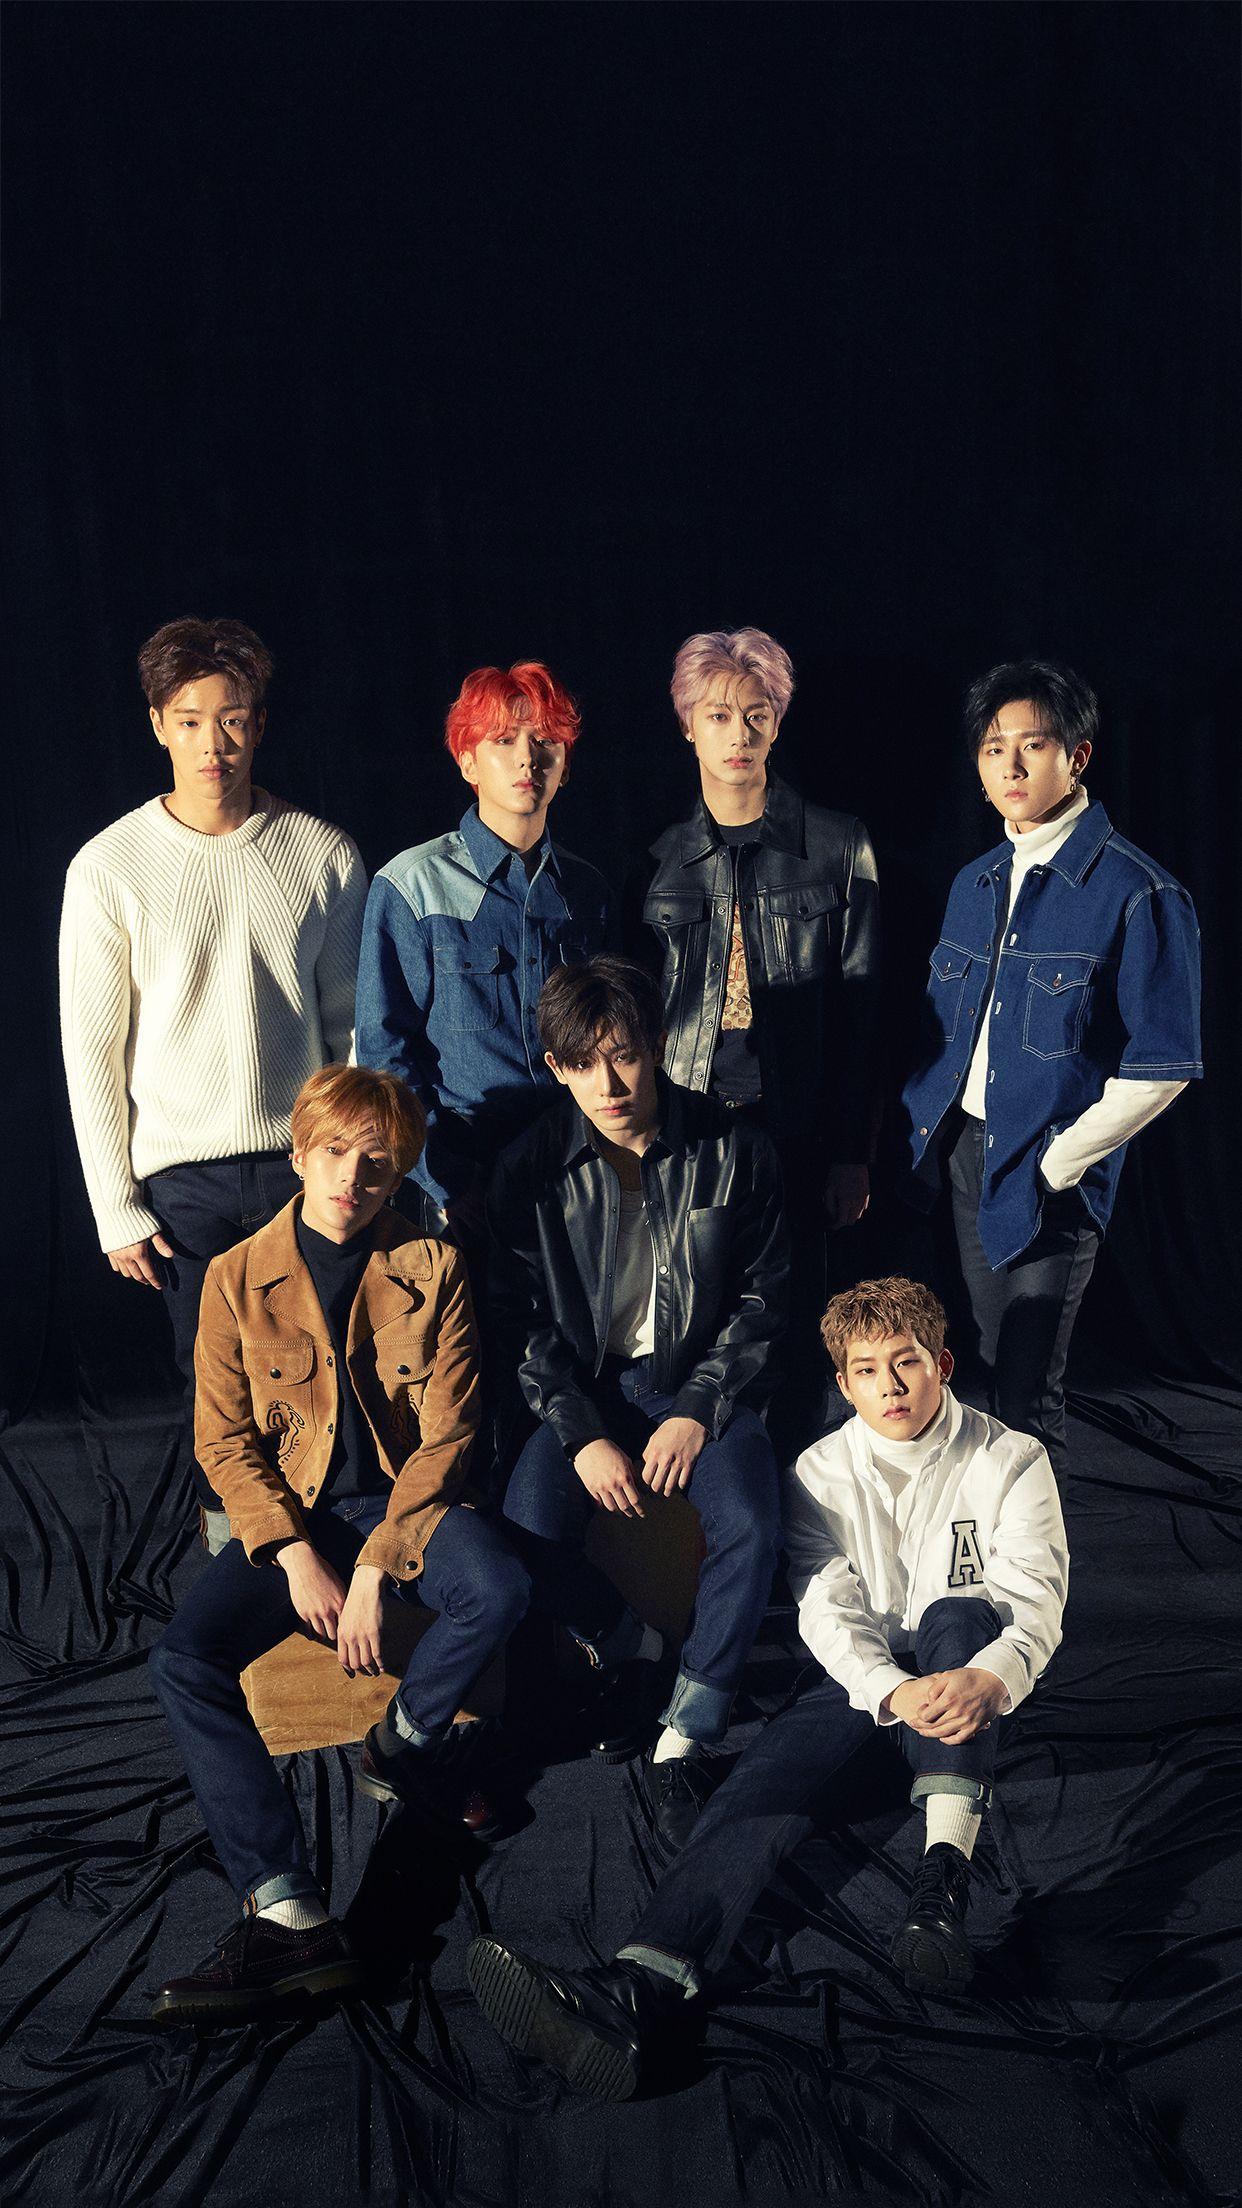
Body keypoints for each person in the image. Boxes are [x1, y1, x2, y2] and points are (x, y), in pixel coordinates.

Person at [465, 1276, 1068, 2101]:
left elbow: (1034, 1602)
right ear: (843, 1383)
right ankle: (635, 1988)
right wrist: (890, 1693)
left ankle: (941, 1886)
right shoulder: (819, 1470)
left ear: (944, 1364)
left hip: (973, 1696)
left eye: (907, 1362)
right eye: (867, 1371)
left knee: (959, 1615)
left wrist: (989, 1680)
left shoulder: (1012, 1459)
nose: (890, 1386)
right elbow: (827, 1610)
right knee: (755, 1792)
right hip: (868, 1686)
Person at [147, 1064, 530, 2028]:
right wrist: (292, 1553)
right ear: (298, 1154)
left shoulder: (433, 1266)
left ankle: (401, 1743)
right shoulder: (235, 1275)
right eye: (335, 1154)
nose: (354, 1178)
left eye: (379, 1163)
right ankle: (287, 1909)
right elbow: (223, 1444)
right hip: (300, 1514)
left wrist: (373, 1565)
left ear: (399, 1175)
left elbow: (451, 1435)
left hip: (406, 1507)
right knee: (183, 1659)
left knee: (500, 1590)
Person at [59, 618, 367, 1514]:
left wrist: (352, 1160)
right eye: (190, 721)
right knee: (220, 1391)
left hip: (302, 1165)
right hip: (180, 1186)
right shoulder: (109, 867)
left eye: (231, 721)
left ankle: (342, 1555)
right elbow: (92, 1049)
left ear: (259, 724)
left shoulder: (321, 852)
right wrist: (114, 1206)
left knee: (327, 1368)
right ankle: (244, 1564)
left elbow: (352, 1032)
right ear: (158, 724)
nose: (212, 745)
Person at [488, 956, 788, 1850]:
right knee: (523, 1527)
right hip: (585, 1392)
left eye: (623, 1056)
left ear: (657, 1045)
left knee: (752, 1524)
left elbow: (765, 1298)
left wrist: (700, 1403)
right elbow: (518, 1321)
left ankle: (689, 1729)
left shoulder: (735, 1148)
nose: (609, 1086)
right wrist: (579, 1433)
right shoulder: (528, 1166)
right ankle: (635, 1648)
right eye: (583, 1064)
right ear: (556, 1067)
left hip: (696, 1379)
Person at [900, 660, 1202, 1469]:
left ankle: (1035, 1556)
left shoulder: (1139, 892)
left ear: (1078, 755)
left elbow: (1164, 1064)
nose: (1011, 766)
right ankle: (982, 1548)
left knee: (1027, 1391)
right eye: (993, 748)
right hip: (965, 1156)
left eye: (1033, 745)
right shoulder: (974, 882)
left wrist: (1062, 1162)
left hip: (1050, 1169)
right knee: (979, 1373)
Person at [626, 626, 880, 1454]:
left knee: (804, 1326)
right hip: (691, 1125)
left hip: (798, 1127)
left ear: (777, 723)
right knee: (695, 1319)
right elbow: (632, 1016)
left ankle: (801, 1498)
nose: (738, 734)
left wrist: (852, 1152)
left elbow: (862, 1016)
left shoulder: (838, 844)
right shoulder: (655, 858)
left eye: (756, 715)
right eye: (718, 715)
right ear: (688, 726)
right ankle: (711, 1499)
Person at [354, 660, 611, 1246]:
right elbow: (385, 1056)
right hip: (462, 1183)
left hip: (577, 1175)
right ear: (468, 761)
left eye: (545, 740)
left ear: (566, 763)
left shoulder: (587, 891)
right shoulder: (412, 885)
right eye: (504, 740)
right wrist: (444, 1178)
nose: (528, 759)